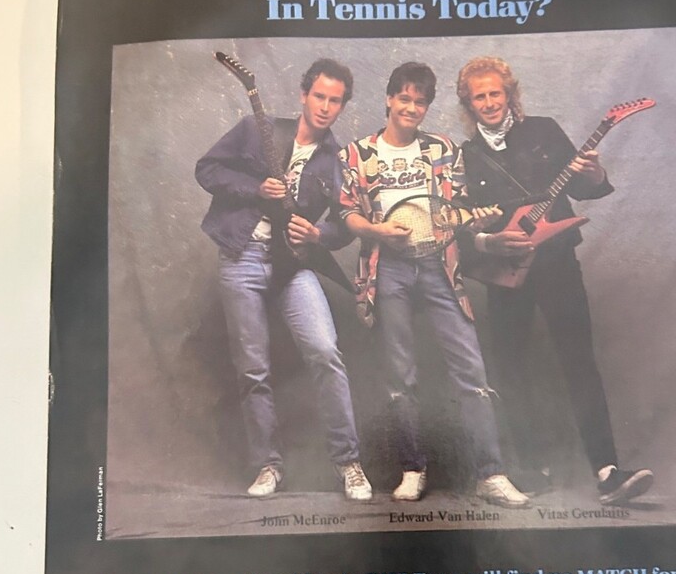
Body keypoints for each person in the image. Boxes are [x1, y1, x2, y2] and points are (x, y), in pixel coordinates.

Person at [454, 56, 653, 506]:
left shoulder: (543, 130)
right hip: (506, 271)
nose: (489, 102)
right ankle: (530, 467)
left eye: (496, 93)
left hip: (557, 261)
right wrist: (490, 241)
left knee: (579, 361)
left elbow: (585, 188)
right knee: (511, 369)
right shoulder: (466, 155)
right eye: (480, 96)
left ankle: (608, 471)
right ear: (468, 103)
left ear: (510, 95)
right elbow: (461, 225)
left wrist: (594, 173)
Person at [338, 61, 528, 508]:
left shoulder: (442, 148)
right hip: (388, 268)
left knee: (471, 372)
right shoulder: (357, 154)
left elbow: (458, 208)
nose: (411, 108)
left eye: (420, 102)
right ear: (389, 99)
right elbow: (347, 213)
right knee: (399, 375)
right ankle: (412, 469)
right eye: (404, 99)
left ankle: (491, 474)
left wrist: (476, 219)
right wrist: (376, 230)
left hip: (440, 266)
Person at [195, 58, 372, 502]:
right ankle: (268, 466)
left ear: (343, 105)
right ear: (303, 95)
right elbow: (207, 170)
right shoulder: (259, 130)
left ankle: (348, 463)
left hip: (292, 265)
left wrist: (318, 234)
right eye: (319, 96)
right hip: (241, 257)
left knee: (325, 351)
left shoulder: (339, 161)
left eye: (335, 101)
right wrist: (255, 189)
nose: (325, 107)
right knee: (253, 368)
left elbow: (346, 223)